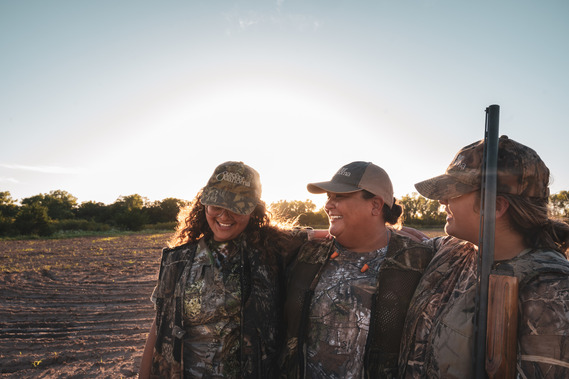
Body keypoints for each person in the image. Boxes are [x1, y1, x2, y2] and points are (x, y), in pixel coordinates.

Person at [398, 136, 569, 378]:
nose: (442, 200)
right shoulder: (454, 250)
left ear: (496, 206)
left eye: (453, 191)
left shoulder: (551, 292)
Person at [138, 161, 322, 378]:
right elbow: (160, 324)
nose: (224, 217)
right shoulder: (177, 260)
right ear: (204, 203)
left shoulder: (272, 250)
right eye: (217, 206)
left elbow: (330, 234)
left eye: (236, 207)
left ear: (253, 210)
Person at [279, 161, 435, 378]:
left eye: (339, 197)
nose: (328, 205)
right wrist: (313, 233)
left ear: (375, 206)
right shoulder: (309, 254)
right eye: (328, 197)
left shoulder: (417, 260)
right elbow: (261, 235)